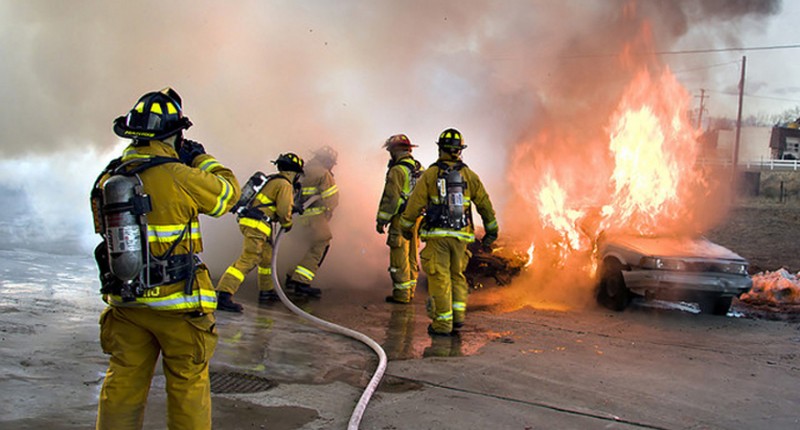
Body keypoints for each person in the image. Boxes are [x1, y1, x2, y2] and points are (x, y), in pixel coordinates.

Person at [91, 87, 241, 429]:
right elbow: (228, 194)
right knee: (187, 386)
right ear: (175, 135)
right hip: (179, 308)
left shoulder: (109, 177)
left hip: (127, 304)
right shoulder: (180, 175)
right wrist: (200, 158)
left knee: (123, 384)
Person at [399, 128, 499, 336]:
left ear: (440, 149)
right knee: (457, 277)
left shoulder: (431, 175)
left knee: (440, 279)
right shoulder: (470, 176)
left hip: (437, 238)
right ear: (459, 150)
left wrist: (406, 227)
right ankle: (458, 318)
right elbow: (485, 205)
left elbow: (414, 204)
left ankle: (443, 324)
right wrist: (491, 232)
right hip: (461, 238)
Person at [215, 153, 305, 312]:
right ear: (293, 172)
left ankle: (267, 291)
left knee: (266, 257)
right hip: (257, 224)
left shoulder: (272, 180)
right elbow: (283, 210)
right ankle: (223, 294)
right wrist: (288, 223)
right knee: (250, 258)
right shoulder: (285, 184)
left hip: (254, 222)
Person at [286, 145, 339, 296]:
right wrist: (329, 212)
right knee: (321, 244)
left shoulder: (302, 171)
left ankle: (291, 277)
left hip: (299, 217)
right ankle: (301, 282)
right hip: (315, 217)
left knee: (303, 247)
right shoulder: (323, 174)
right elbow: (332, 199)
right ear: (327, 161)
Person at [376, 134, 424, 304]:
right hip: (415, 219)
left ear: (395, 150)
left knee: (399, 257)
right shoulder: (420, 168)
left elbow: (391, 198)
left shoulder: (397, 170)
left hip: (400, 219)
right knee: (411, 254)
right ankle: (410, 290)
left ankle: (401, 295)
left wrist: (382, 220)